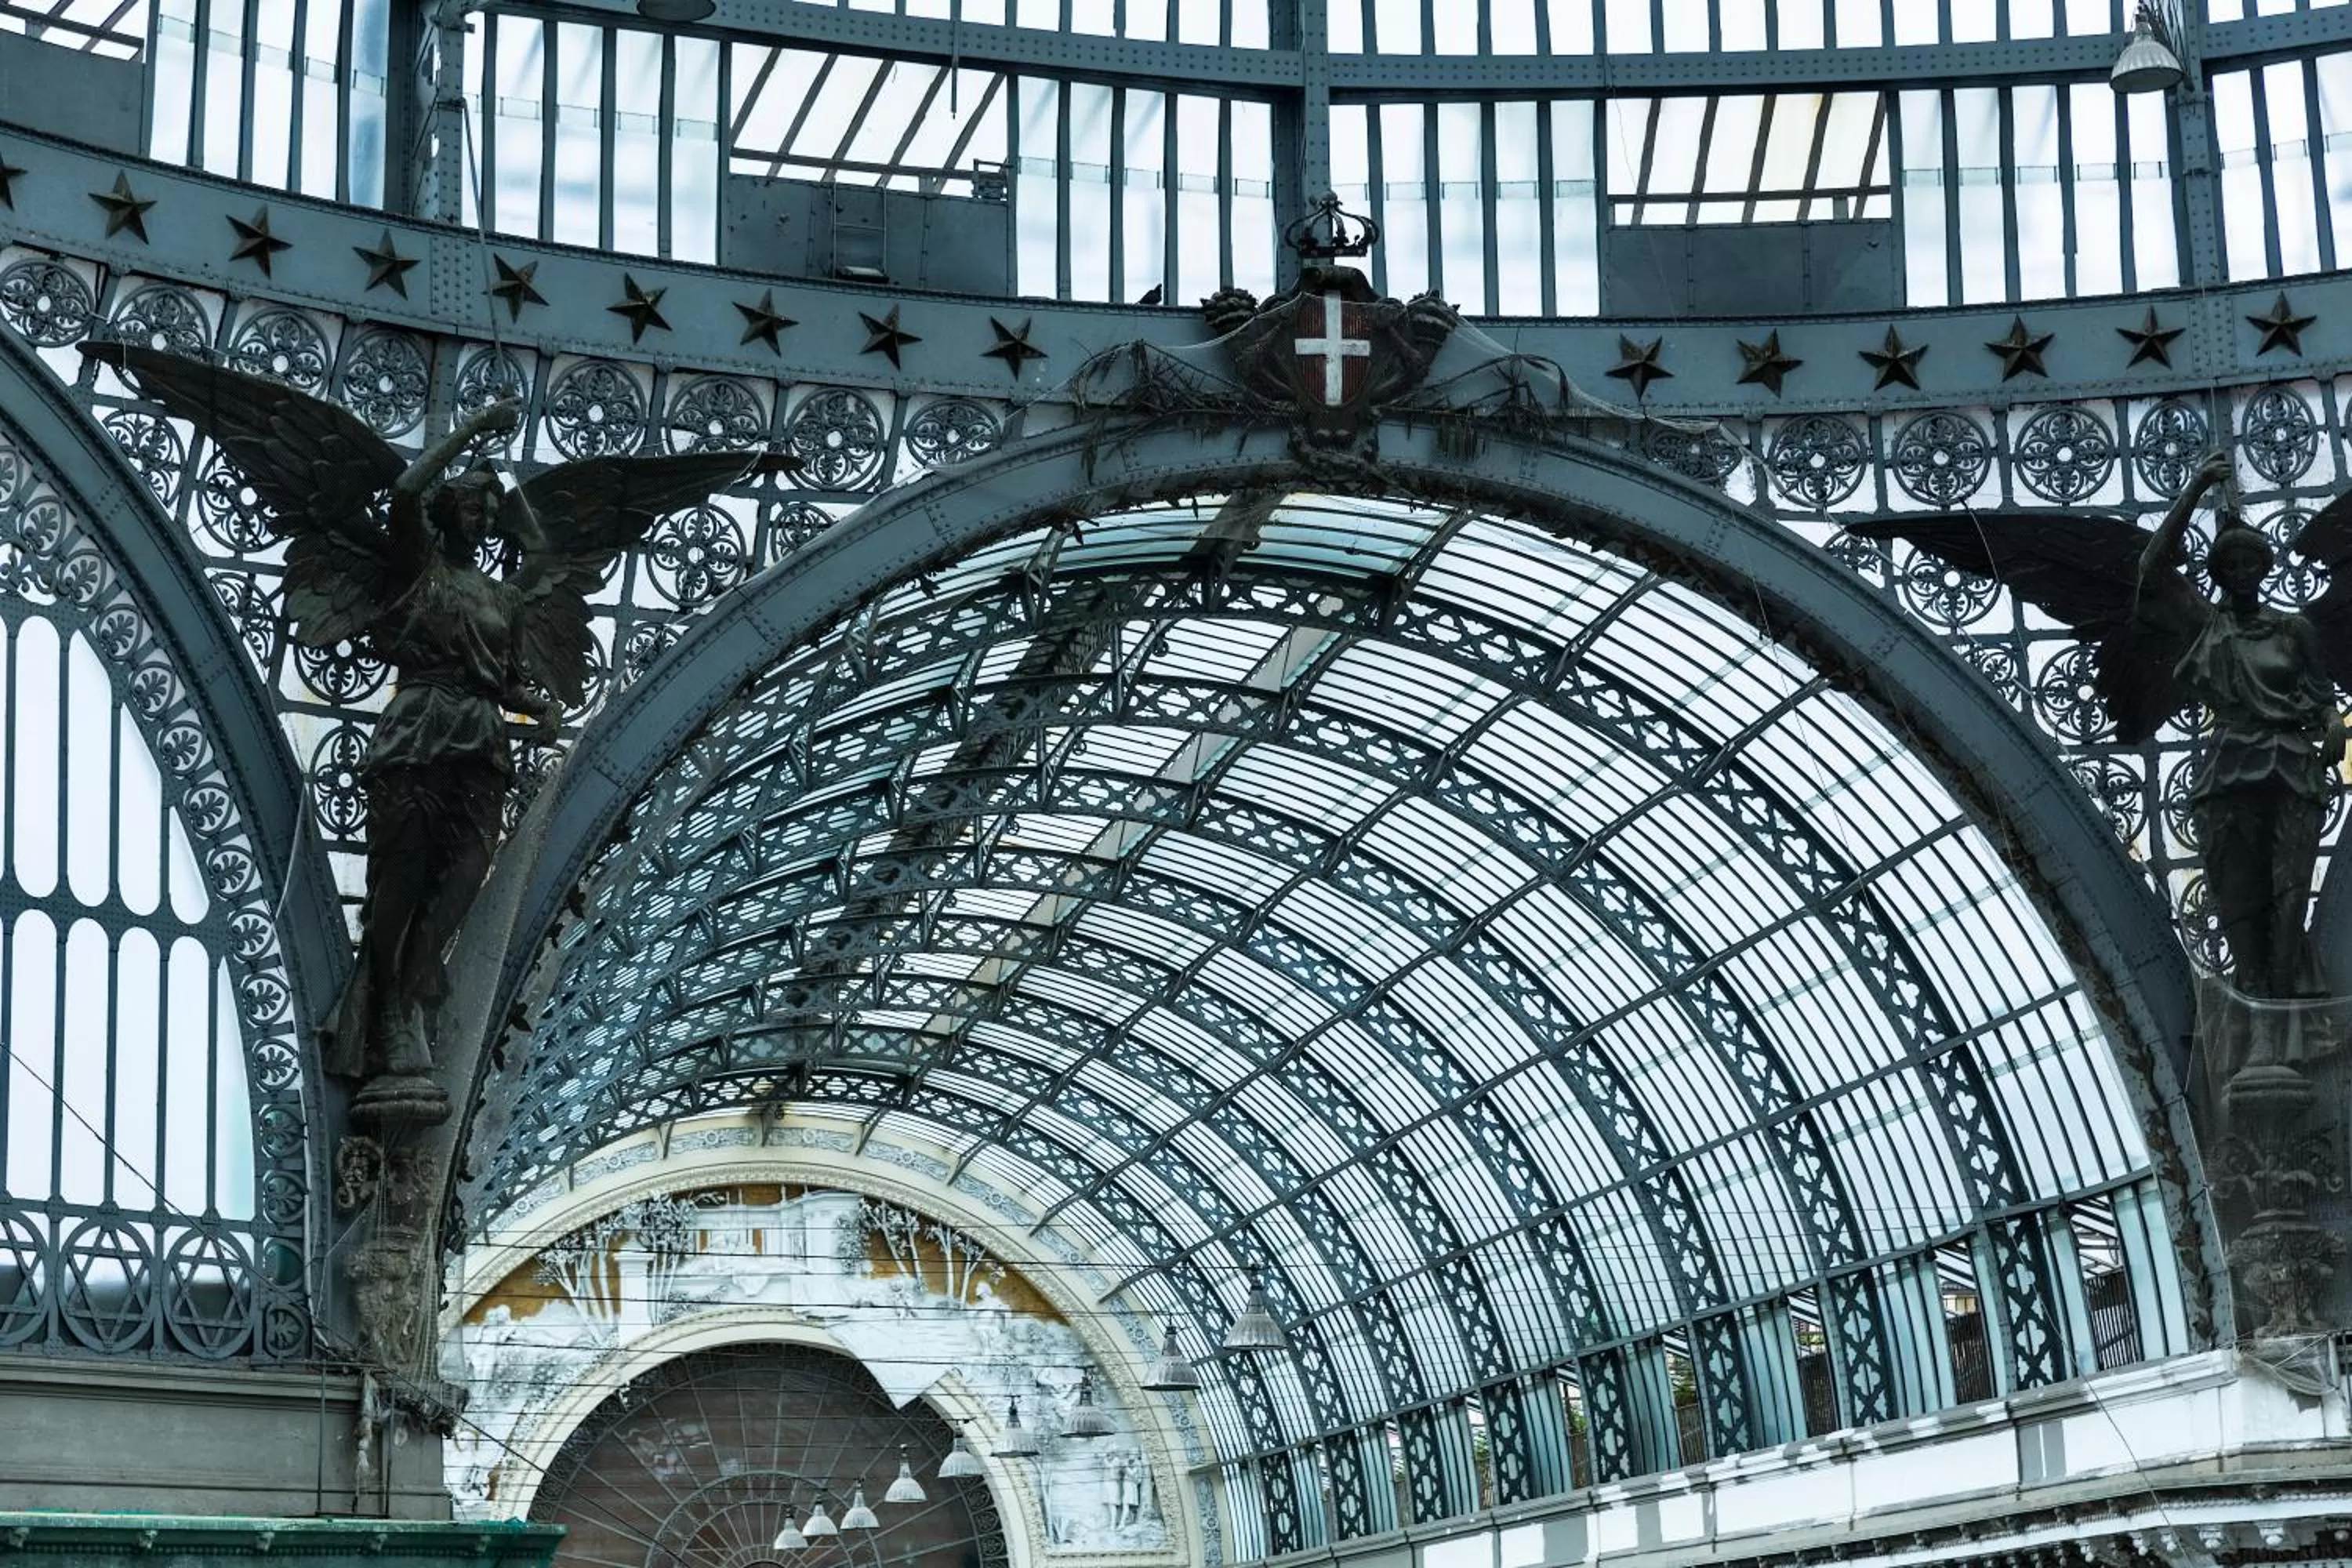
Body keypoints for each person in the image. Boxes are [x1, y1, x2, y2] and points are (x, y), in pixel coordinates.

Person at [324, 399, 555, 1122]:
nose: (484, 524)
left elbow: (513, 664)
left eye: (493, 515)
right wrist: (474, 435)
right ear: (450, 511)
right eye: (475, 510)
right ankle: (396, 1019)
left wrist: (537, 707)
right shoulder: (419, 565)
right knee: (402, 877)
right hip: (418, 725)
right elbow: (402, 493)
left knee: (462, 877)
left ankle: (412, 991)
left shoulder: (501, 597)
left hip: (479, 737)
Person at [2140, 450, 2344, 1006]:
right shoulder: (2207, 626)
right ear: (2218, 575)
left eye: (2250, 564)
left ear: (2264, 568)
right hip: (2228, 767)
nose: (2241, 573)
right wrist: (2194, 490)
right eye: (2229, 567)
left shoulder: (2294, 629)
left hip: (2291, 765)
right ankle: (2255, 995)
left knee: (2290, 890)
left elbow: (2324, 698)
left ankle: (2284, 1003)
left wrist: (2334, 727)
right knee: (2239, 897)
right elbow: (2152, 571)